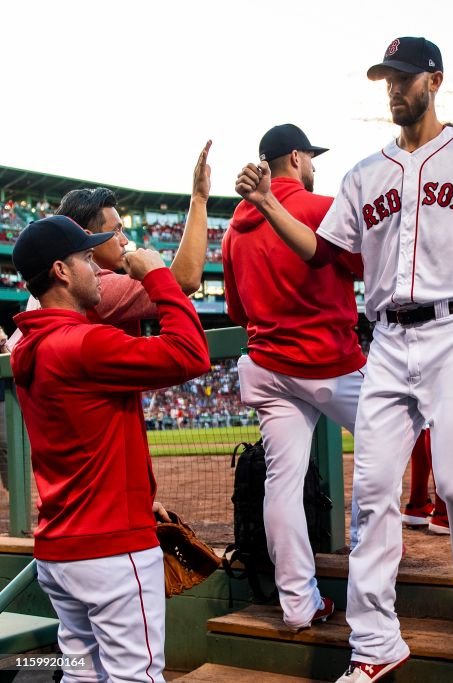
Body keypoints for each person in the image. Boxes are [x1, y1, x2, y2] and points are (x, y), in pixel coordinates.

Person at [234, 37, 453, 683]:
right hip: (387, 340)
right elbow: (321, 254)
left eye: (403, 77)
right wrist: (269, 204)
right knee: (372, 492)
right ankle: (376, 642)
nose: (393, 88)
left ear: (434, 81)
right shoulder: (362, 173)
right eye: (386, 78)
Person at [10, 216, 210, 681]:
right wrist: (158, 275)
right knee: (135, 676)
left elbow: (86, 440)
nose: (98, 271)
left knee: (82, 673)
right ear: (61, 271)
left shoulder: (28, 345)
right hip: (111, 554)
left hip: (59, 554)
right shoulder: (83, 342)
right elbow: (190, 354)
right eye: (86, 259)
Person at [223, 123, 363, 629]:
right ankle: (377, 570)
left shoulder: (233, 230)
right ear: (297, 158)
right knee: (393, 446)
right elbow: (362, 265)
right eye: (311, 158)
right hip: (331, 363)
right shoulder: (319, 206)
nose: (315, 166)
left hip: (268, 365)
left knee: (281, 486)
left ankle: (299, 606)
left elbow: (237, 309)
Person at [8, 142, 213, 347]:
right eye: (115, 231)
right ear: (87, 237)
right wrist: (199, 199)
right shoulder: (101, 287)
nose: (124, 240)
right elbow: (185, 280)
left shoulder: (45, 294)